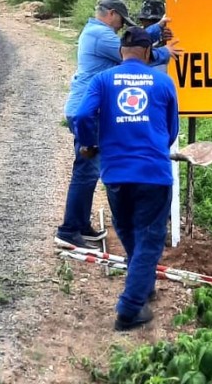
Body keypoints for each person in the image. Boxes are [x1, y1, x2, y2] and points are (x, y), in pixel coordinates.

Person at [72, 26, 179, 331]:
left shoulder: (103, 80)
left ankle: (142, 287)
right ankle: (130, 309)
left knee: (131, 233)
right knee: (149, 238)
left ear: (121, 52)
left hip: (116, 173)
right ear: (147, 52)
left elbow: (80, 116)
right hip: (153, 173)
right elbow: (172, 130)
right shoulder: (163, 81)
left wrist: (89, 144)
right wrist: (157, 146)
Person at [55, 0, 181, 250]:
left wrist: (155, 29)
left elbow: (133, 44)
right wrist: (165, 53)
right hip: (87, 113)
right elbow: (133, 54)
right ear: (111, 14)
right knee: (86, 172)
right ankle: (69, 230)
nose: (122, 26)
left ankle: (80, 225)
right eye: (122, 20)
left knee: (87, 172)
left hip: (87, 110)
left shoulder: (95, 32)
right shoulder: (102, 35)